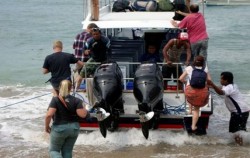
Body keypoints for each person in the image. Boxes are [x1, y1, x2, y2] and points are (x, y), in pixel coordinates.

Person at [45, 79, 89, 158]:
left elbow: (49, 115)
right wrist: (85, 108)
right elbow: (82, 115)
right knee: (67, 151)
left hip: (59, 128)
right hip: (74, 128)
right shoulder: (77, 100)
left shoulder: (55, 100)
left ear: (60, 88)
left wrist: (46, 127)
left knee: (54, 151)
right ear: (71, 88)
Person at [207, 72, 250, 145]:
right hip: (242, 111)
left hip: (239, 112)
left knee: (236, 131)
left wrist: (212, 84)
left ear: (226, 80)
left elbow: (221, 92)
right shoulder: (232, 85)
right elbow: (221, 88)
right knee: (238, 130)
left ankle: (239, 146)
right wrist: (210, 86)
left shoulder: (230, 88)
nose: (220, 80)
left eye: (221, 79)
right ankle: (241, 144)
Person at [179, 55, 211, 133]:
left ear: (194, 61)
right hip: (201, 91)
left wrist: (186, 82)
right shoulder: (205, 69)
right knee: (196, 109)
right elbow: (209, 80)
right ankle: (193, 126)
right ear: (203, 62)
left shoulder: (189, 68)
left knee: (188, 93)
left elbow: (180, 78)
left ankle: (190, 110)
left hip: (190, 91)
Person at [73, 23, 98, 88]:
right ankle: (90, 91)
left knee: (79, 77)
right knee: (90, 78)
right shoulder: (90, 37)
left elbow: (74, 46)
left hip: (78, 61)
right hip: (87, 61)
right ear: (91, 29)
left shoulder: (77, 35)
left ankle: (77, 90)